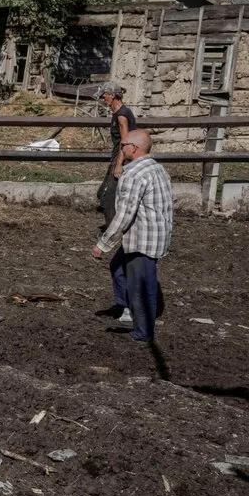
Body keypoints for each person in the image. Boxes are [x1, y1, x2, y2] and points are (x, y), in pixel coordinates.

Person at [92, 130, 173, 343]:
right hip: (152, 233)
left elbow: (125, 214)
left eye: (124, 144)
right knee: (118, 268)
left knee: (142, 284)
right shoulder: (156, 168)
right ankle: (129, 309)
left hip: (143, 238)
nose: (121, 148)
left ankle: (143, 331)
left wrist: (104, 243)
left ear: (134, 148)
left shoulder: (135, 174)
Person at [96, 82, 136, 226]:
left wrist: (118, 164)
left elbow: (124, 142)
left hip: (123, 159)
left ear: (112, 96)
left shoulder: (121, 116)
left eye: (104, 96)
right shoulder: (119, 113)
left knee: (108, 197)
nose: (102, 99)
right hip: (117, 157)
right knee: (102, 193)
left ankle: (112, 231)